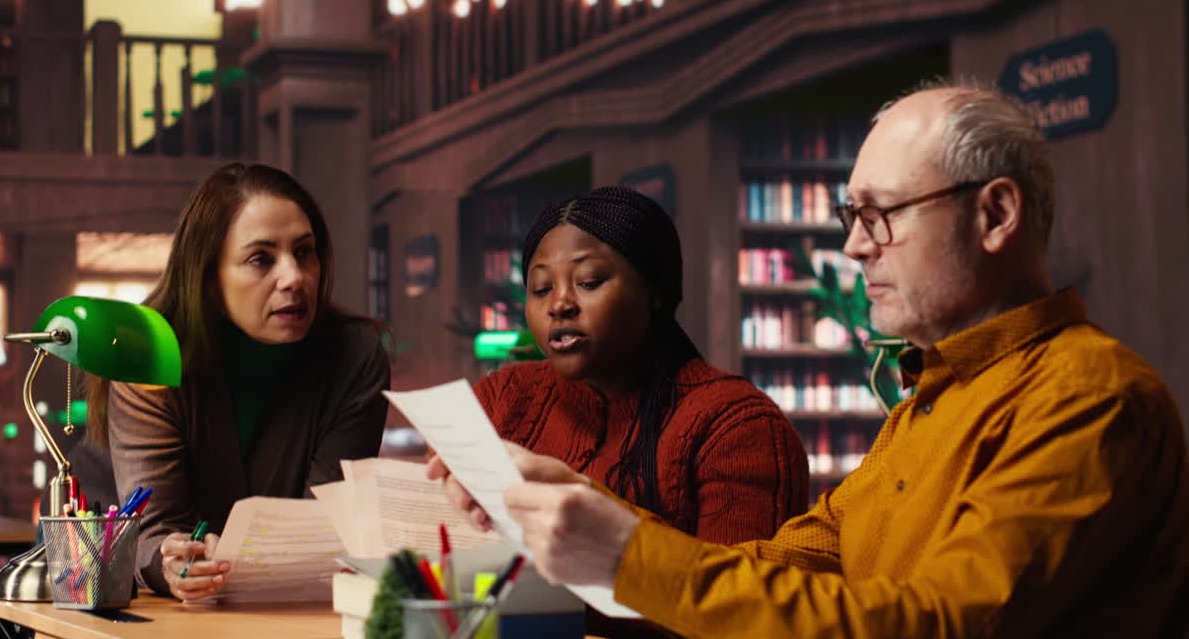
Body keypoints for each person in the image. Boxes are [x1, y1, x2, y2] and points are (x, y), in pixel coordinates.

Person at [430, 82, 1189, 637]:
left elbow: (942, 625)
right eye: (850, 216)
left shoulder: (1088, 397)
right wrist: (587, 507)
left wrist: (626, 553)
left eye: (879, 214)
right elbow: (786, 565)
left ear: (994, 214)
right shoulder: (934, 398)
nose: (854, 246)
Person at [473, 187, 808, 637]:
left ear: (655, 292)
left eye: (589, 281)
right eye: (541, 288)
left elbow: (741, 616)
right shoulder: (502, 397)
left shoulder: (736, 426)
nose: (559, 304)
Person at [87, 163, 390, 601]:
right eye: (260, 259)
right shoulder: (149, 357)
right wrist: (173, 562)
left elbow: (320, 529)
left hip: (281, 604)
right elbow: (153, 531)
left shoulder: (355, 356)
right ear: (208, 278)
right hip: (128, 589)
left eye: (304, 252)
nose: (294, 277)